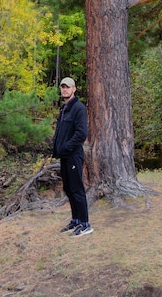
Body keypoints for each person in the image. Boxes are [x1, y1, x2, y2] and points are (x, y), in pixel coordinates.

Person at [52, 77, 93, 237]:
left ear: (74, 89)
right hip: (64, 156)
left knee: (77, 189)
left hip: (74, 156)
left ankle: (85, 224)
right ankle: (76, 220)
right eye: (62, 87)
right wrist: (58, 149)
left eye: (67, 87)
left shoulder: (78, 108)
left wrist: (66, 147)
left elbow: (81, 134)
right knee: (68, 189)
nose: (64, 90)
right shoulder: (64, 108)